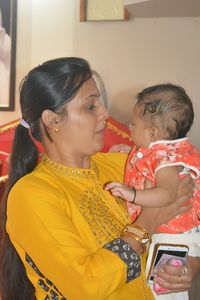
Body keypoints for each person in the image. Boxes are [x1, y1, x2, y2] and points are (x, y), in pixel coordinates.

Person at [0, 59, 198, 300]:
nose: (105, 113)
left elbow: (187, 213)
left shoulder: (124, 164)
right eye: (91, 106)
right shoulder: (32, 195)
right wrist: (146, 222)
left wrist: (188, 267)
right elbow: (87, 287)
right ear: (53, 120)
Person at [106, 83, 200, 299]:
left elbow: (167, 193)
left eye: (133, 123)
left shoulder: (166, 162)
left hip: (174, 237)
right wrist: (131, 151)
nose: (129, 127)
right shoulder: (162, 151)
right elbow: (148, 163)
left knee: (162, 287)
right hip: (174, 232)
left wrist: (133, 194)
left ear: (154, 133)